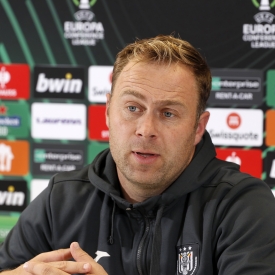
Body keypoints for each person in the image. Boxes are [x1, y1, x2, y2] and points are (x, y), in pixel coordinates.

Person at [1, 34, 275, 275]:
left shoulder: (242, 205)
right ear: (108, 111)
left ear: (198, 128)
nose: (146, 130)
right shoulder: (61, 199)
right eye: (133, 108)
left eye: (168, 113)